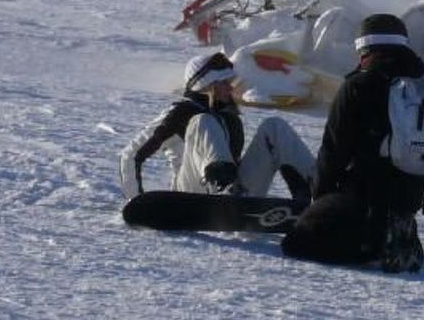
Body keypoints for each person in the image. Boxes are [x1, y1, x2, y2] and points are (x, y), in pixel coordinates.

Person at [282, 13, 424, 269]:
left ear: (364, 48)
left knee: (294, 244)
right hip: (401, 219)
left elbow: (333, 151)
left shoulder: (358, 86)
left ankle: (360, 244)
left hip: (357, 211)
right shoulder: (421, 88)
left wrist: (319, 200)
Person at [119, 52, 315, 205]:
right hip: (189, 194)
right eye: (224, 83)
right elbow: (131, 154)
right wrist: (136, 202)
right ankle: (222, 186)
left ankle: (319, 192)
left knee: (274, 127)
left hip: (236, 195)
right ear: (207, 86)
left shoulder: (228, 116)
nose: (230, 88)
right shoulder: (181, 113)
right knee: (202, 120)